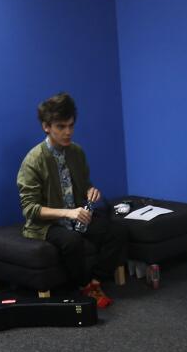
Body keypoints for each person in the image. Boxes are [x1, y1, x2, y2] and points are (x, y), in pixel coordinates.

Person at [17, 92, 127, 308]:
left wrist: (91, 191)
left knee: (119, 232)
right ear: (46, 127)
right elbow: (30, 209)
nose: (68, 132)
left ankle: (95, 281)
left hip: (77, 215)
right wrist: (68, 213)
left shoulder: (76, 152)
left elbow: (85, 184)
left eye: (71, 126)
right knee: (72, 241)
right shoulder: (33, 160)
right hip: (47, 224)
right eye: (61, 127)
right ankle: (83, 285)